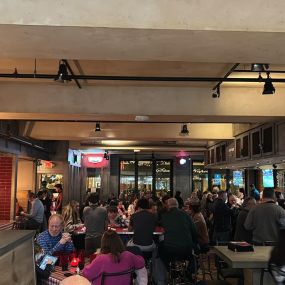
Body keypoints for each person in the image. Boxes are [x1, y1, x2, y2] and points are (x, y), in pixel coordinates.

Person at [159, 198, 197, 269]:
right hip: (186, 249)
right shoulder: (185, 215)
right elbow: (194, 230)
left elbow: (160, 229)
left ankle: (169, 269)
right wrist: (194, 243)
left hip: (169, 249)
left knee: (159, 250)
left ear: (168, 206)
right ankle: (187, 272)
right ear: (177, 205)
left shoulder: (164, 216)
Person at [83, 193, 108, 257]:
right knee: (99, 259)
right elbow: (106, 226)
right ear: (98, 200)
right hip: (99, 238)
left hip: (88, 238)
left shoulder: (85, 209)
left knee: (89, 260)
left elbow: (85, 223)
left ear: (89, 201)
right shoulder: (103, 210)